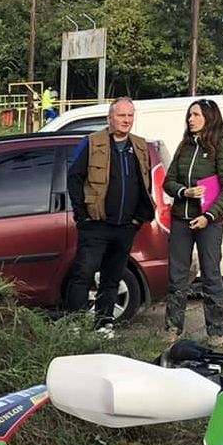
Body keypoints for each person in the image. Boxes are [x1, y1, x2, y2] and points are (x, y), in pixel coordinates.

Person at [62, 97, 158, 333]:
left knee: (112, 277)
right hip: (96, 225)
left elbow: (145, 184)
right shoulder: (91, 143)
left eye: (130, 116)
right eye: (121, 115)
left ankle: (104, 323)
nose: (126, 120)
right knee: (83, 274)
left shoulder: (140, 146)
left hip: (126, 226)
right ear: (110, 118)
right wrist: (82, 216)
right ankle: (76, 323)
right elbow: (74, 179)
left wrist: (137, 220)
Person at [163, 98, 223, 346]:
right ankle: (173, 327)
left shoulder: (221, 146)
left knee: (211, 275)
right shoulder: (184, 146)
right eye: (189, 115)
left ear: (209, 117)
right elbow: (168, 181)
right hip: (181, 220)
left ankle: (215, 331)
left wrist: (208, 216)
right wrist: (184, 191)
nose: (190, 119)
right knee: (177, 276)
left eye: (195, 115)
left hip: (209, 222)